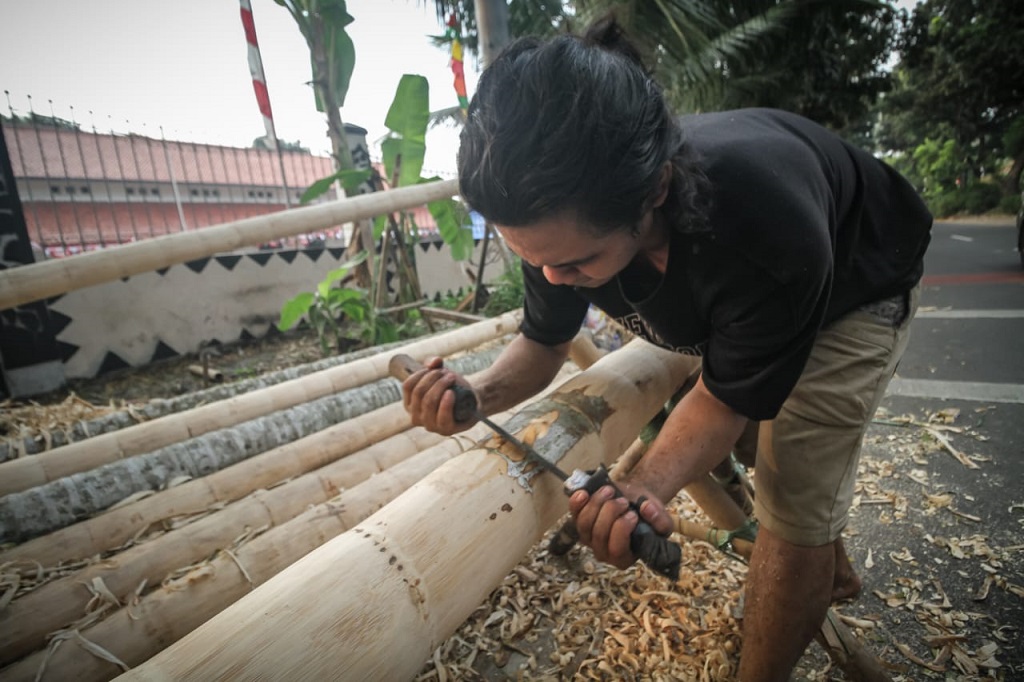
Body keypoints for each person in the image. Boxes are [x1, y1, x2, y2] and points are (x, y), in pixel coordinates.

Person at [398, 17, 932, 681]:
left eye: (576, 263)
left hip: (856, 284)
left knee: (793, 495)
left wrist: (642, 488)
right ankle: (833, 571)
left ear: (655, 191)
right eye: (533, 260)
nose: (553, 279)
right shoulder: (560, 214)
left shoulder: (762, 229)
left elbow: (722, 400)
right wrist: (477, 394)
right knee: (755, 446)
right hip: (756, 282)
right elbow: (544, 341)